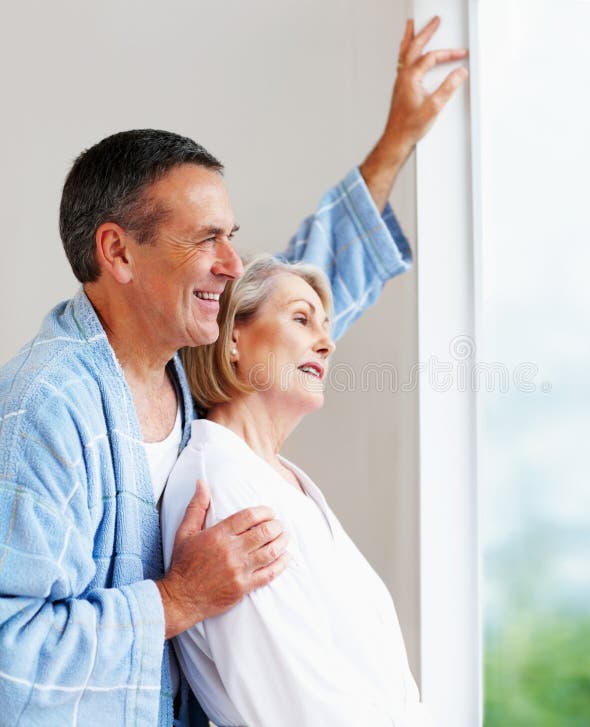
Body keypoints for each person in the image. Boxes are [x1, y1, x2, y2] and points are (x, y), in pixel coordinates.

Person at [0, 17, 467, 726]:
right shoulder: (47, 407)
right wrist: (176, 599)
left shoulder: (182, 376)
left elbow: (284, 303)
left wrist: (396, 140)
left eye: (233, 237)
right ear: (119, 253)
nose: (231, 262)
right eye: (205, 239)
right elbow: (9, 657)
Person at [162, 254, 431, 726]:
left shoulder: (283, 481)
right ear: (233, 341)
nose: (326, 344)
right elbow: (297, 707)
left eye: (324, 326)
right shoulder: (221, 487)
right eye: (301, 318)